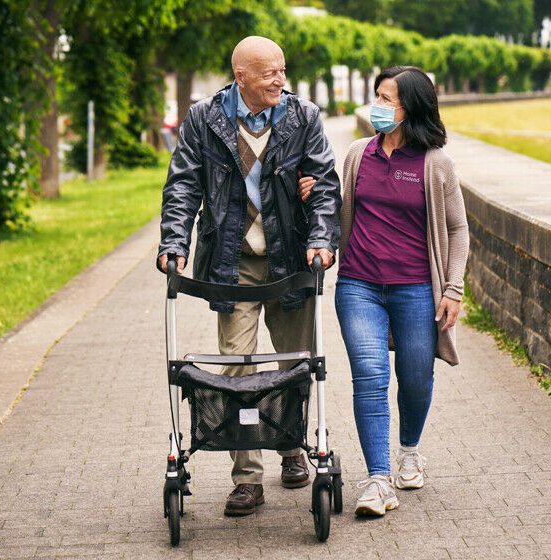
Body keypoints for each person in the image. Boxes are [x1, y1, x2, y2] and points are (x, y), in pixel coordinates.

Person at [157, 36, 341, 517]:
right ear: (241, 77)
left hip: (290, 260)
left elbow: (324, 185)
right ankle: (247, 478)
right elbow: (182, 184)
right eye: (269, 73)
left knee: (291, 362)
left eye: (283, 70)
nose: (281, 80)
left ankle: (292, 450)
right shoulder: (204, 118)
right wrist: (173, 243)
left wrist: (322, 237)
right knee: (236, 367)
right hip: (232, 262)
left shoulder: (303, 117)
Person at [298, 66, 469, 517]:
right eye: (377, 95)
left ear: (409, 106)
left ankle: (409, 451)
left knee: (415, 378)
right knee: (370, 378)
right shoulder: (358, 154)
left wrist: (453, 288)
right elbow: (339, 209)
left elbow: (458, 229)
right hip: (359, 284)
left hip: (416, 288)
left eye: (386, 98)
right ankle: (378, 480)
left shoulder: (436, 164)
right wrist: (314, 195)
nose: (377, 105)